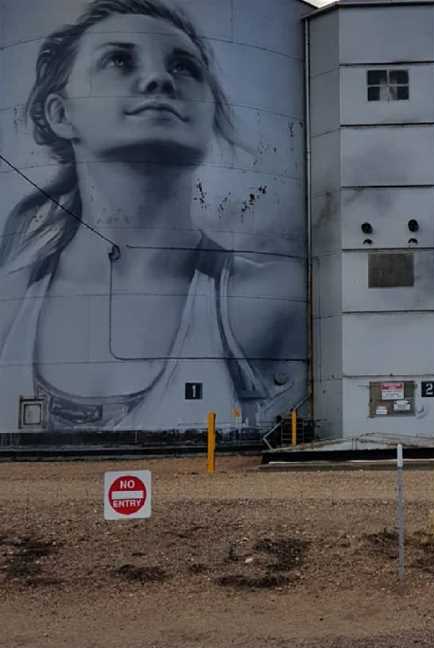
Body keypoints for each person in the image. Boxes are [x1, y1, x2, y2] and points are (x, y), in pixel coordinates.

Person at [0, 0, 304, 431]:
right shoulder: (8, 306)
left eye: (184, 67)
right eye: (119, 60)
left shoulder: (266, 301)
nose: (158, 78)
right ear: (61, 114)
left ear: (210, 112)